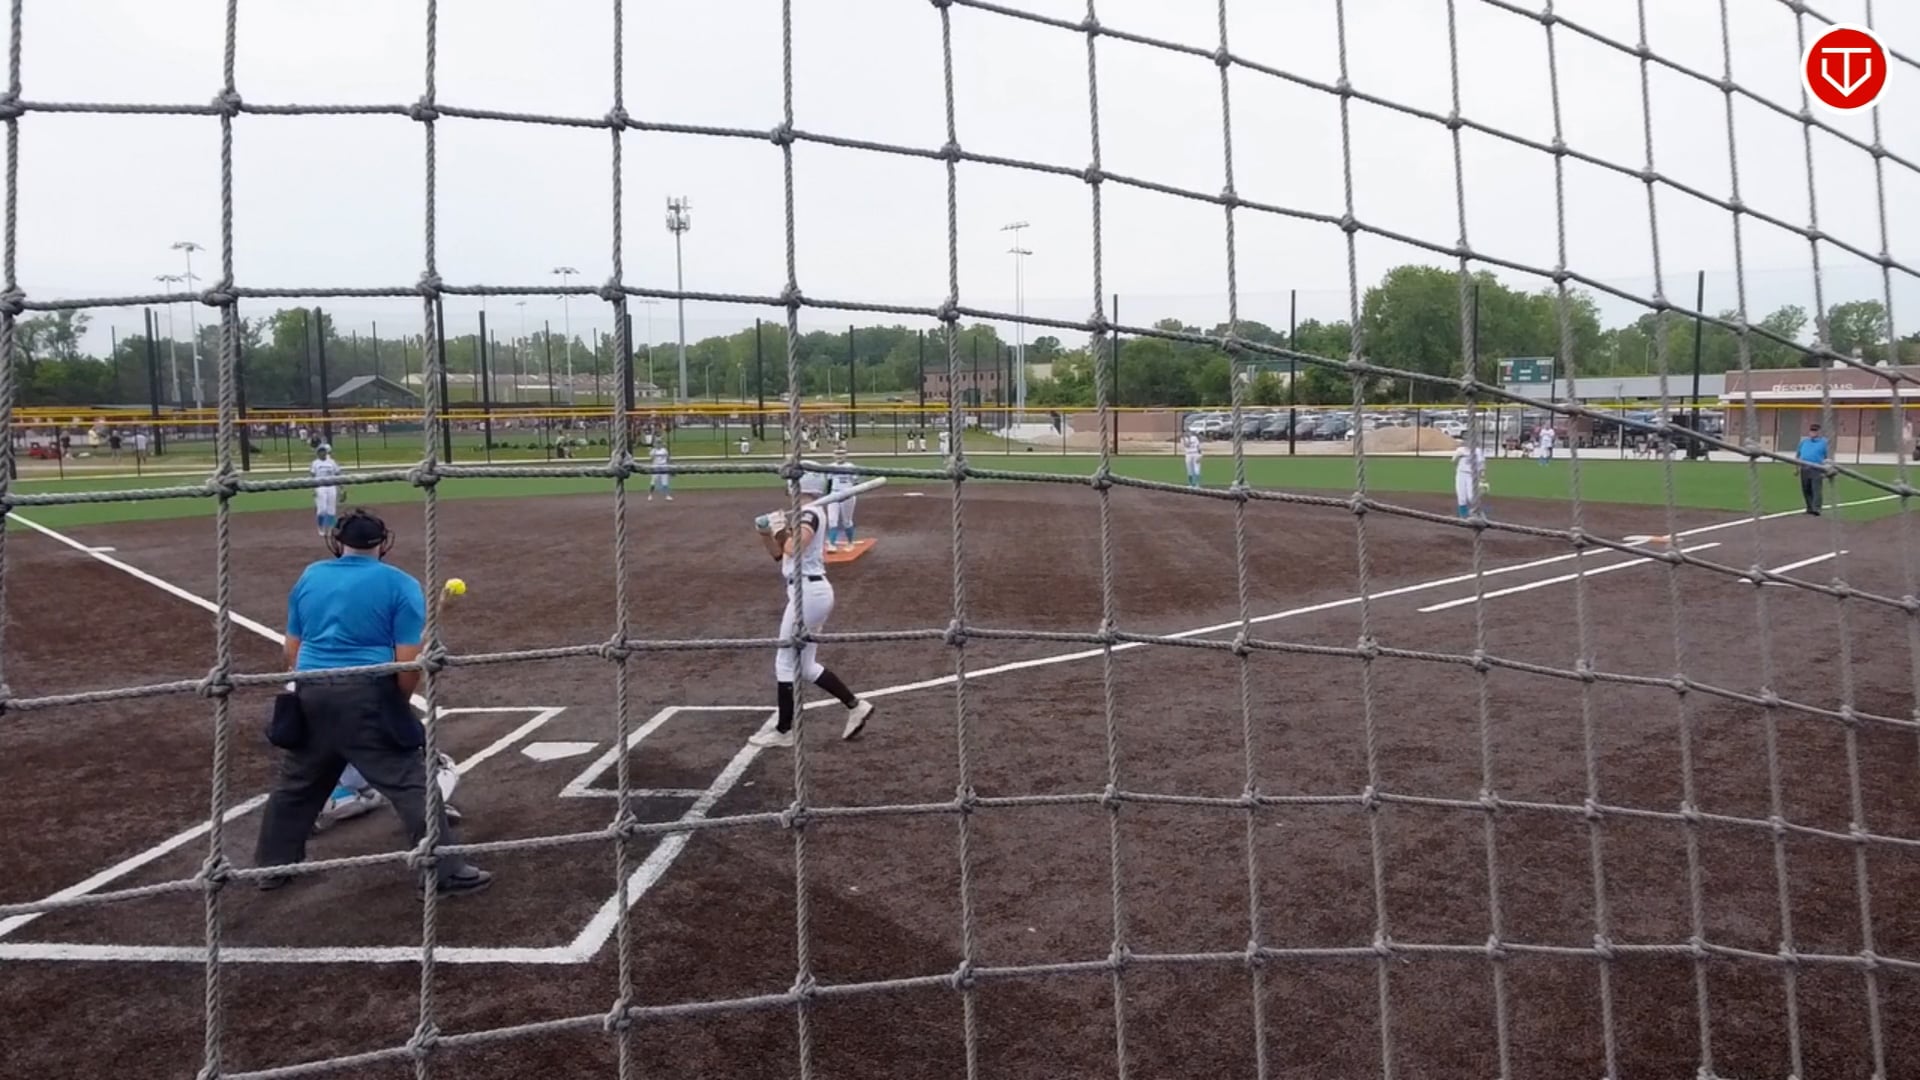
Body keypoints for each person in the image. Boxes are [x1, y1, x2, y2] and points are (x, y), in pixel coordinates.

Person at [252, 509, 492, 896]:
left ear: (338, 542)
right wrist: (393, 705)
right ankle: (444, 872)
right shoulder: (400, 584)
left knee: (296, 786)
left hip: (310, 690)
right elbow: (407, 662)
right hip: (367, 692)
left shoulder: (310, 576)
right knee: (411, 783)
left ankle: (271, 867)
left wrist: (316, 686)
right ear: (383, 543)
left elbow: (291, 651)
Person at [746, 479, 875, 749]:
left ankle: (784, 731)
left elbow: (794, 547)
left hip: (808, 594)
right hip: (807, 593)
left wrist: (780, 528)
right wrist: (766, 533)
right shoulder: (806, 512)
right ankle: (856, 706)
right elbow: (781, 555)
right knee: (805, 666)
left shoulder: (810, 513)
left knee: (784, 662)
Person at [824, 447, 858, 550]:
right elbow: (829, 482)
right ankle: (832, 544)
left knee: (847, 521)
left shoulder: (850, 467)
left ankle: (850, 542)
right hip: (834, 493)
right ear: (833, 455)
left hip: (847, 494)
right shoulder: (831, 467)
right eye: (837, 454)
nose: (839, 456)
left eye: (842, 454)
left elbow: (856, 482)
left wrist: (851, 493)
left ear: (846, 455)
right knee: (832, 520)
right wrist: (828, 496)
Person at [309, 444, 344, 538]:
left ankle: (329, 529)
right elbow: (312, 476)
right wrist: (313, 489)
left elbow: (338, 475)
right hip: (320, 487)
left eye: (323, 451)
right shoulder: (315, 463)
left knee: (331, 510)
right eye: (320, 451)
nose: (322, 453)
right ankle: (320, 527)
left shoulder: (332, 462)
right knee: (322, 510)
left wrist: (341, 488)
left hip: (331, 487)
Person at [1796, 422, 1830, 516]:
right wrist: (1796, 467)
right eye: (1811, 431)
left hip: (1817, 468)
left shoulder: (1824, 443)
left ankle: (1817, 509)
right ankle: (1809, 508)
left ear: (1819, 432)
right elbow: (1798, 455)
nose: (1813, 433)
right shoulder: (1804, 442)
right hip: (1804, 468)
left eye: (1815, 431)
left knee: (1816, 489)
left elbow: (1828, 457)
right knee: (1806, 489)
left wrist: (1827, 469)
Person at [1452, 438, 1488, 518]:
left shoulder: (1478, 451)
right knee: (1461, 496)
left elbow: (1482, 464)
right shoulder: (1460, 450)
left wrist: (1482, 475)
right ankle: (1463, 516)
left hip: (1472, 475)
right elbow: (1453, 461)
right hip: (1461, 474)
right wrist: (1458, 456)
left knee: (1471, 497)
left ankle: (1478, 512)